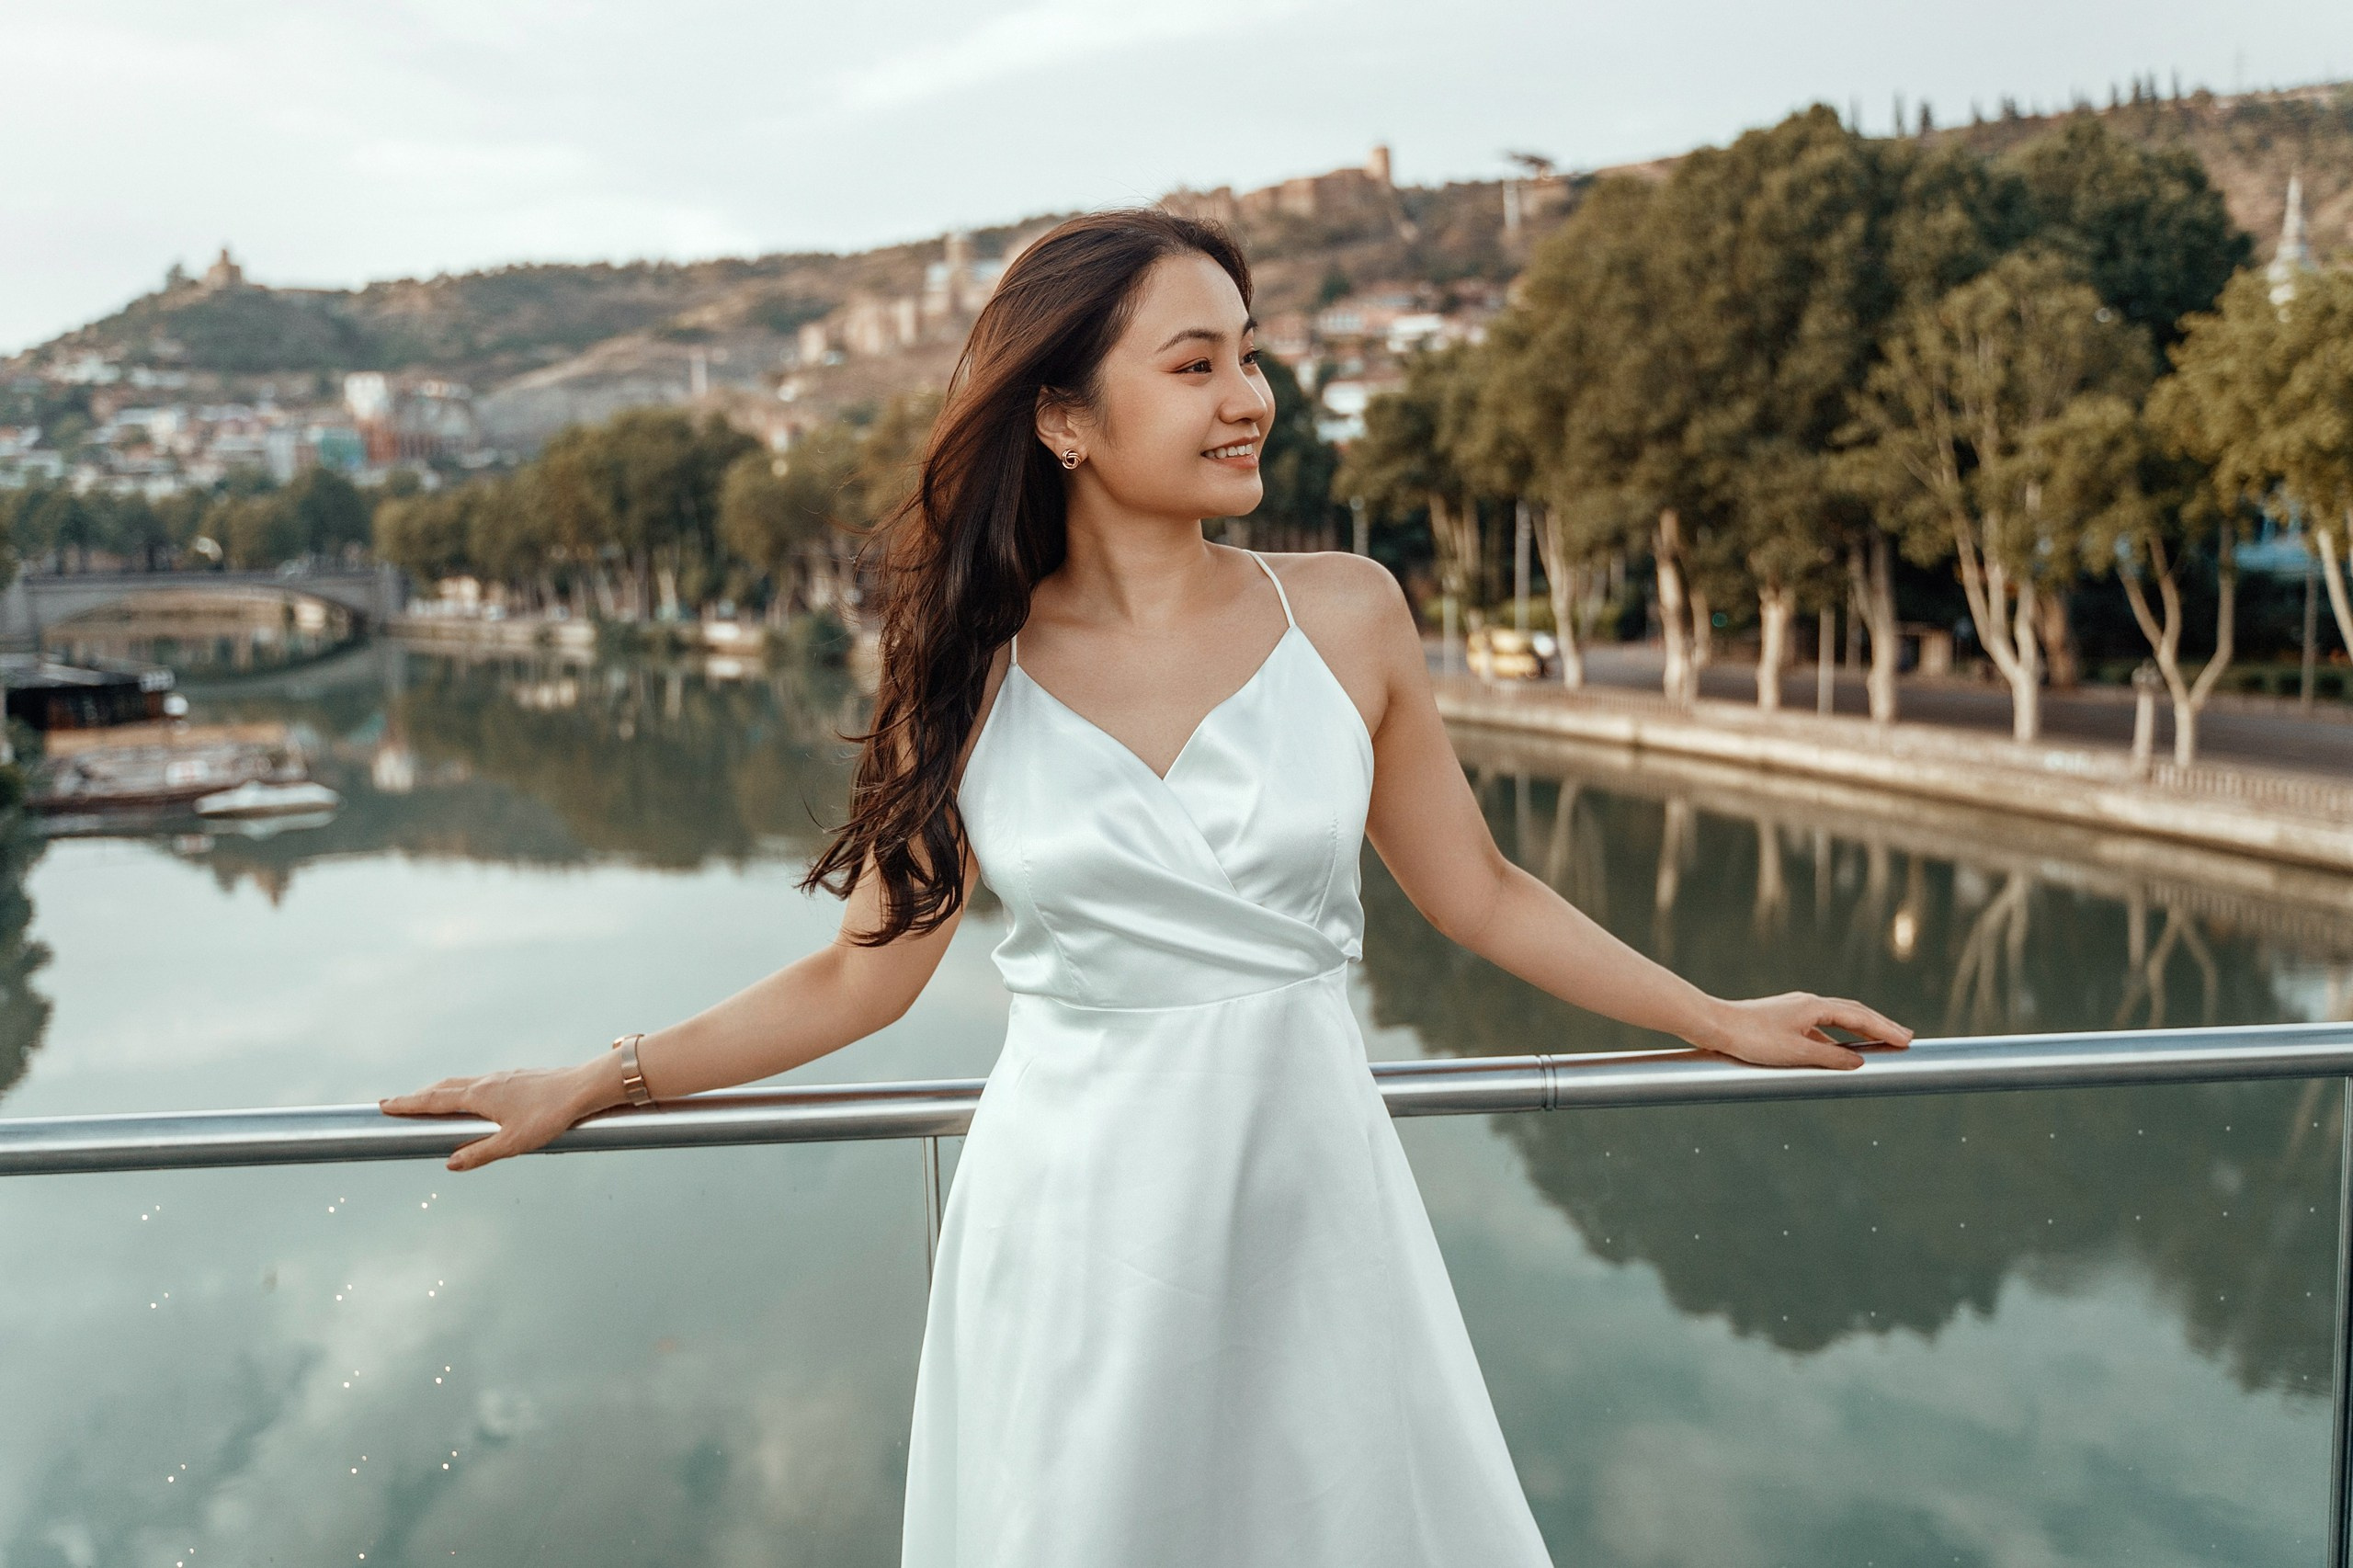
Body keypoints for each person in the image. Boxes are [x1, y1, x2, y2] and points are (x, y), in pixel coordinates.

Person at [381, 207, 1914, 1566]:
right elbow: (864, 973)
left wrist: (1714, 1015)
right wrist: (605, 1075)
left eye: (1252, 357)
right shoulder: (964, 669)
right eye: (1196, 366)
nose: (1252, 398)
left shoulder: (1351, 614)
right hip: (1075, 1228)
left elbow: (1485, 893)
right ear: (1062, 414)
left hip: (1317, 1206)